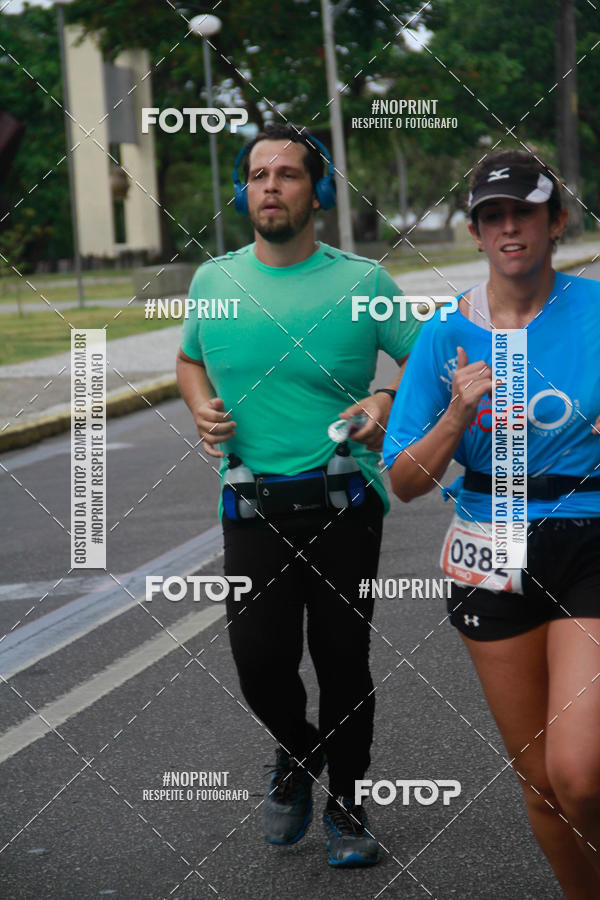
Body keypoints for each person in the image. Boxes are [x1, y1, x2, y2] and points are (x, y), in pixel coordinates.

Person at [176, 123, 420, 867]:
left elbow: (429, 363)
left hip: (344, 499)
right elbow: (189, 361)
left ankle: (347, 805)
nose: (269, 186)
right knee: (258, 659)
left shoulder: (364, 283)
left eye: (286, 174)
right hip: (251, 502)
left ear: (318, 190)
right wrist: (198, 403)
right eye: (257, 174)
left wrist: (384, 399)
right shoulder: (213, 281)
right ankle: (297, 752)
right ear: (245, 189)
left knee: (341, 656)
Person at [383, 148, 600, 898]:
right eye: (492, 216)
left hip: (588, 534)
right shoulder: (445, 337)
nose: (510, 227)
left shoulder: (596, 310)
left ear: (555, 222)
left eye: (525, 212)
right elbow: (405, 482)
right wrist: (455, 414)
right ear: (476, 233)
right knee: (542, 782)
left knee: (580, 770)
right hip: (489, 547)